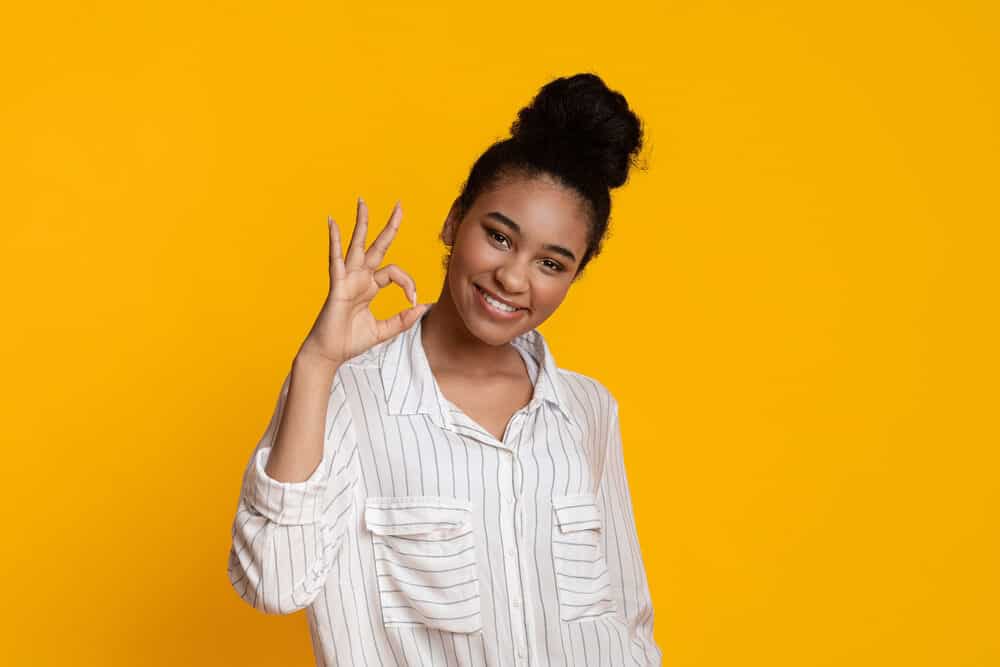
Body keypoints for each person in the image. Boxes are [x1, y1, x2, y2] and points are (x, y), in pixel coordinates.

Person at [227, 72, 663, 666]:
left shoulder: (587, 410)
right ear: (455, 220)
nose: (514, 279)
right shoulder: (347, 393)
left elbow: (628, 617)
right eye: (500, 237)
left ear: (573, 277)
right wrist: (318, 360)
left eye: (552, 264)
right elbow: (273, 584)